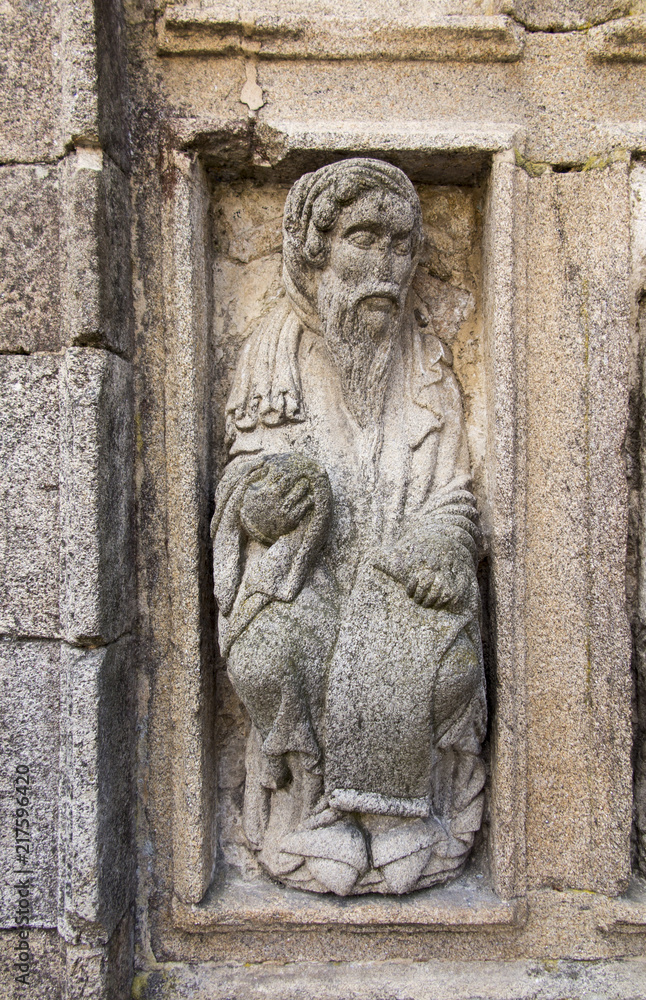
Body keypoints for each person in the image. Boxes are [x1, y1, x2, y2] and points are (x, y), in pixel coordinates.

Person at [212, 158, 486, 895]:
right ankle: (311, 813)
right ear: (317, 249)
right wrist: (261, 507)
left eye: (402, 247)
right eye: (366, 239)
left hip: (402, 581)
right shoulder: (272, 354)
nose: (387, 267)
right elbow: (243, 478)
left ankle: (399, 816)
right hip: (310, 580)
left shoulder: (424, 359)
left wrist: (436, 543)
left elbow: (454, 492)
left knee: (446, 667)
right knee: (267, 655)